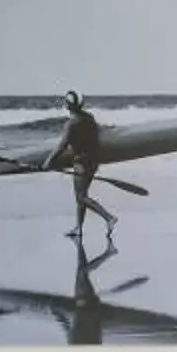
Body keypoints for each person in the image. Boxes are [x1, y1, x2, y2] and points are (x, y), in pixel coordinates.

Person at [52, 90, 116, 245]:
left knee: (81, 197)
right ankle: (79, 229)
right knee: (81, 197)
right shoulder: (89, 118)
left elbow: (62, 146)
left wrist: (49, 161)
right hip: (93, 161)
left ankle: (109, 218)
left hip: (81, 163)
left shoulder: (71, 124)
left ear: (68, 106)